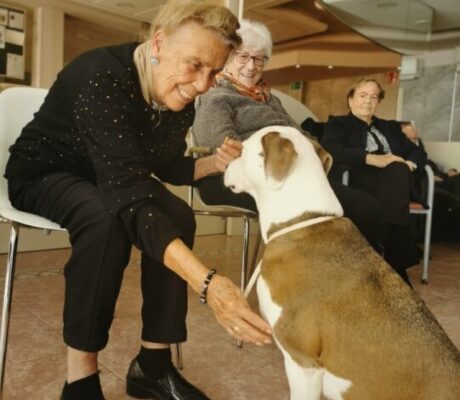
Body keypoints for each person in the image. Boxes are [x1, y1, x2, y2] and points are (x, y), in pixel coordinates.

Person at [4, 2, 272, 400]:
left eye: (214, 71)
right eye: (195, 65)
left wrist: (212, 164)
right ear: (158, 44)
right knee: (105, 218)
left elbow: (161, 165)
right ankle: (80, 381)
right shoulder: (100, 75)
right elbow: (126, 194)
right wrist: (210, 286)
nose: (202, 84)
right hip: (46, 172)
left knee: (177, 213)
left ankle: (152, 365)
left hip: (106, 177)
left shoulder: (177, 95)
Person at [193, 19, 386, 256]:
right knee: (351, 209)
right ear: (228, 57)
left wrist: (310, 150)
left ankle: (375, 275)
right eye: (243, 56)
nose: (251, 66)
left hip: (289, 171)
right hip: (240, 176)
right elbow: (222, 148)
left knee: (367, 206)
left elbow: (301, 134)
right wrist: (277, 161)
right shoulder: (217, 97)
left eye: (259, 58)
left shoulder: (270, 99)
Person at [321, 78, 427, 284]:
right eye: (362, 95)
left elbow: (417, 152)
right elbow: (332, 148)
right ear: (350, 99)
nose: (368, 101)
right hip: (358, 178)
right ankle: (397, 266)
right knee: (395, 178)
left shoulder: (390, 127)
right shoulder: (338, 124)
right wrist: (372, 159)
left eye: (373, 97)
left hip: (395, 180)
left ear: (378, 101)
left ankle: (380, 252)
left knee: (397, 169)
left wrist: (409, 166)